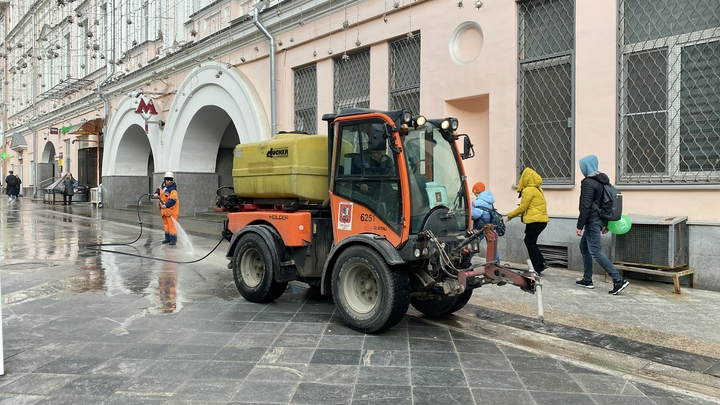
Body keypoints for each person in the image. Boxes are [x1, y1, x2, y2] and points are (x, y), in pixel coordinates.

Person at [576, 155, 630, 295]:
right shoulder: (603, 181)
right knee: (584, 247)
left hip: (592, 221)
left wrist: (580, 225)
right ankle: (587, 279)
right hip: (599, 219)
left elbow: (585, 205)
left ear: (585, 167)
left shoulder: (588, 182)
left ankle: (618, 280)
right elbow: (606, 203)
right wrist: (605, 223)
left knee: (595, 250)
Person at [505, 167, 549, 274]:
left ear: (526, 178)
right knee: (531, 242)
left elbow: (522, 208)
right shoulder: (538, 189)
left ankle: (536, 269)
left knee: (530, 243)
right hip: (542, 221)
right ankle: (541, 263)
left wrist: (509, 216)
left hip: (535, 221)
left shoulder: (528, 190)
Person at [471, 181, 500, 263]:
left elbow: (475, 215)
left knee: (473, 244)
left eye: (474, 193)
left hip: (481, 226)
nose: (474, 195)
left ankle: (466, 260)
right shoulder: (488, 199)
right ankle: (496, 262)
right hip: (489, 225)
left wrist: (471, 209)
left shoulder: (480, 201)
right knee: (492, 245)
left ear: (477, 192)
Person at [153, 171, 180, 245]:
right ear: (165, 179)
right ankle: (167, 239)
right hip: (165, 210)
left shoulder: (173, 189)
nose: (169, 181)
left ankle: (173, 240)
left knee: (172, 226)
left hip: (172, 211)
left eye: (171, 180)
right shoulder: (162, 186)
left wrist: (166, 205)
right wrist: (156, 193)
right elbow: (158, 190)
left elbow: (173, 200)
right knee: (166, 225)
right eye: (168, 179)